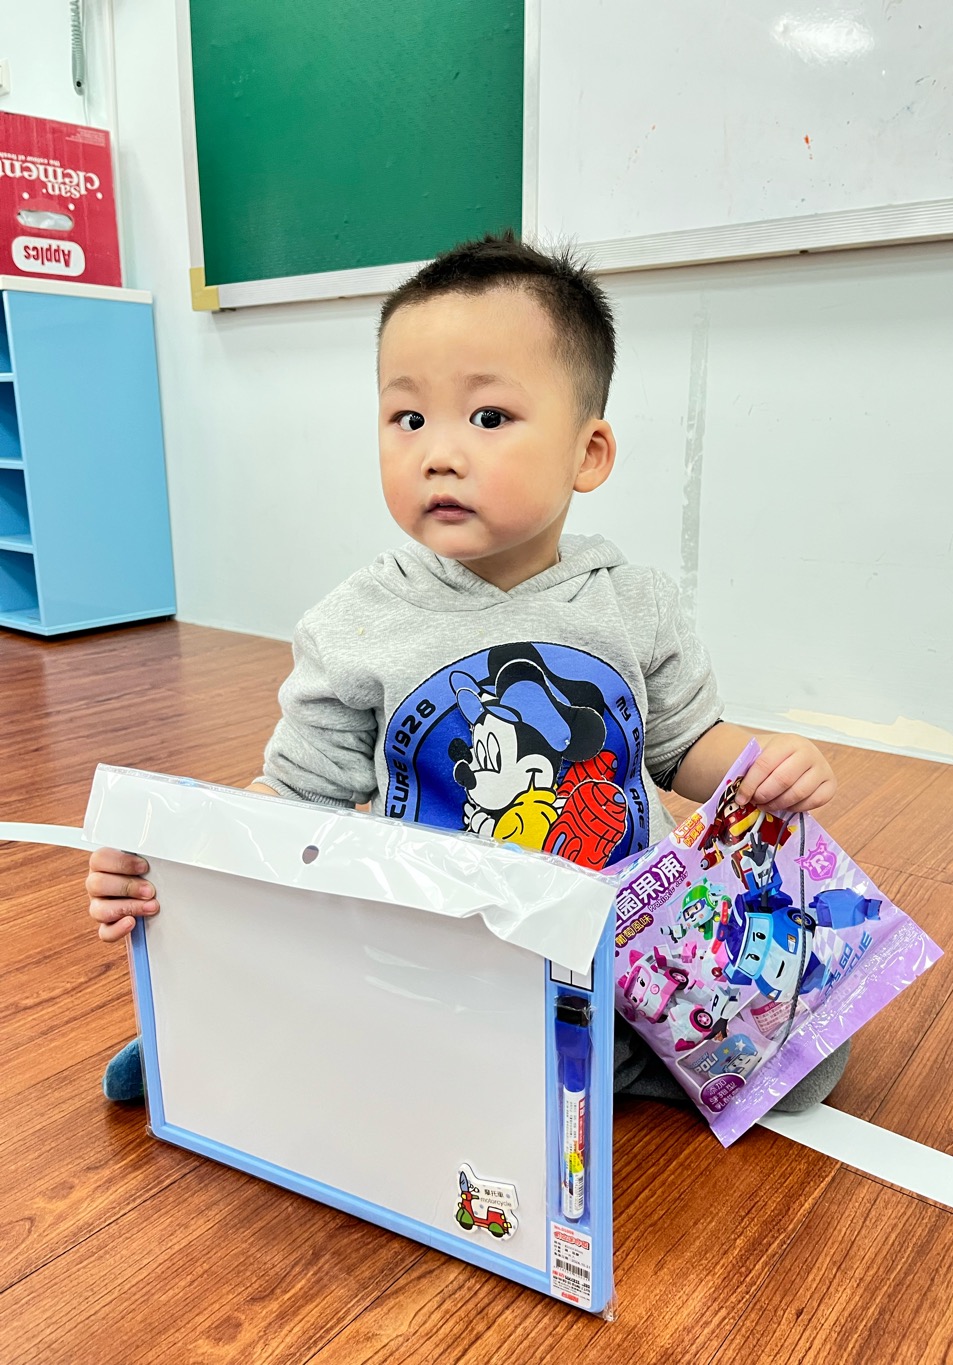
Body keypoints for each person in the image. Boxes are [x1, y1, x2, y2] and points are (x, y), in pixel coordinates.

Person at [86, 232, 848, 1109]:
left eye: (487, 418)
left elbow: (686, 745)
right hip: (431, 953)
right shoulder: (356, 622)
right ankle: (217, 1021)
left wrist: (767, 768)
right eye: (407, 419)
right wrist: (171, 856)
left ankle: (574, 1055)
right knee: (339, 986)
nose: (438, 452)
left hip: (607, 947)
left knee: (806, 1070)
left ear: (588, 454)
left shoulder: (632, 603)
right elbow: (292, 798)